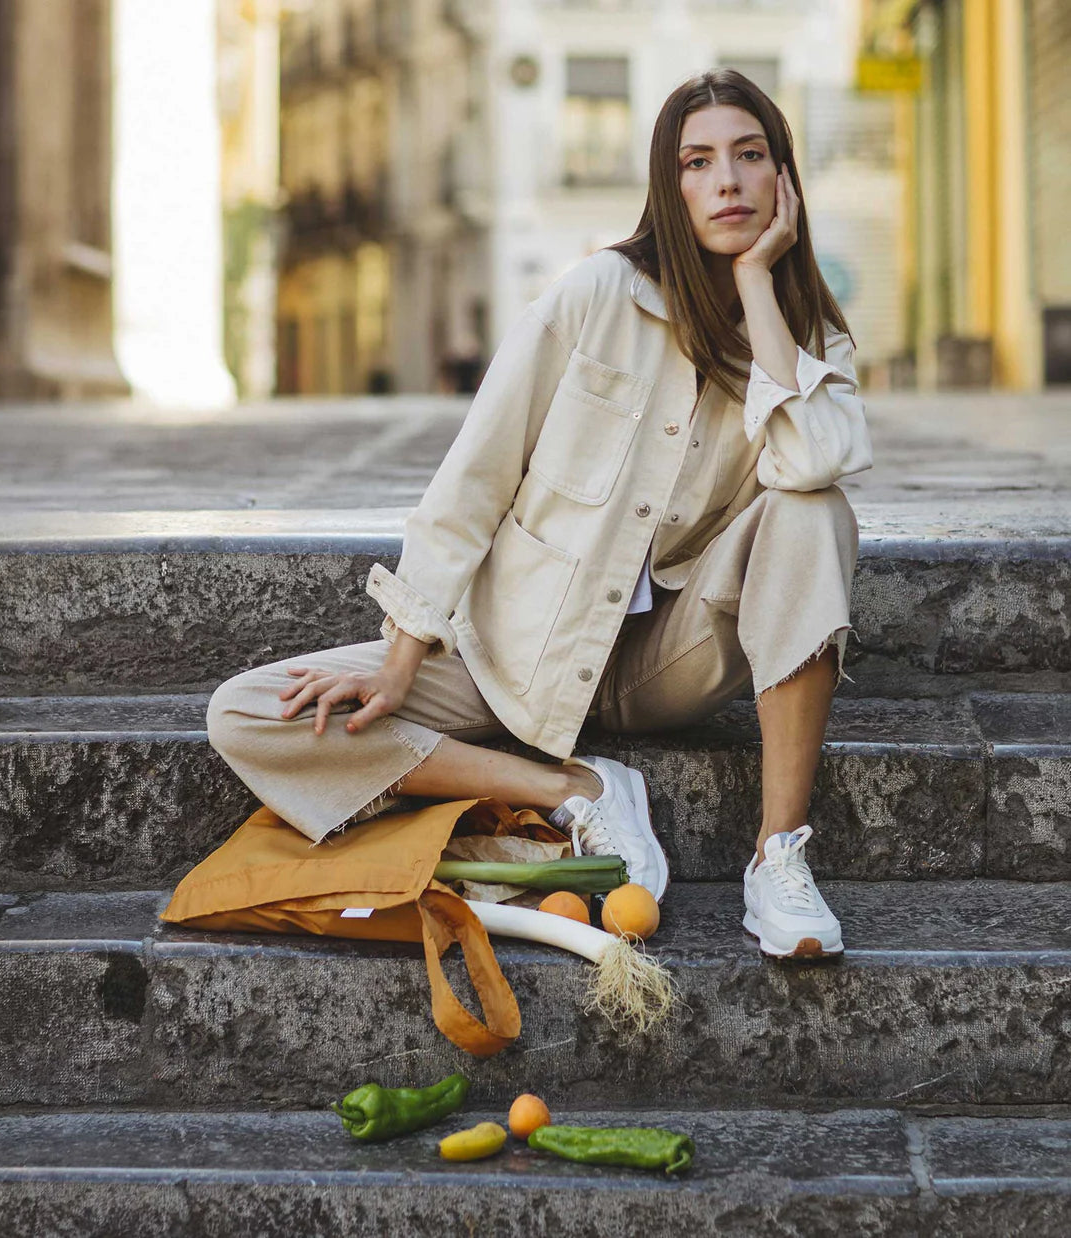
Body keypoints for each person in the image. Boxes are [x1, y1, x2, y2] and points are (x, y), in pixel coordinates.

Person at [205, 69, 872, 961]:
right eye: (698, 161)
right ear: (667, 188)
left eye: (751, 157)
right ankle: (576, 789)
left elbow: (815, 460)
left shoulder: (808, 339)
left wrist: (759, 287)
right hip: (513, 651)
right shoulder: (598, 294)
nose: (727, 182)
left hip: (666, 661)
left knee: (811, 509)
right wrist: (402, 661)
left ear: (783, 180)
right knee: (245, 712)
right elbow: (473, 476)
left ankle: (778, 858)